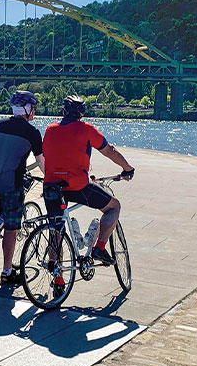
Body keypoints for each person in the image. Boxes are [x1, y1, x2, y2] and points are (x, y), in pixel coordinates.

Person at [42, 95, 134, 268]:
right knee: (114, 207)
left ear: (63, 112)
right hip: (78, 186)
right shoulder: (87, 129)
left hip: (52, 186)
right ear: (82, 113)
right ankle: (99, 247)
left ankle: (58, 279)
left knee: (56, 232)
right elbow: (109, 151)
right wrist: (127, 168)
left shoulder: (49, 129)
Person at [0, 90, 45, 286]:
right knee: (12, 227)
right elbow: (40, 161)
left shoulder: (0, 125)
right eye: (33, 109)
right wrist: (51, 178)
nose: (34, 112)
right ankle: (7, 271)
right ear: (27, 109)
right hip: (12, 183)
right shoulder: (32, 132)